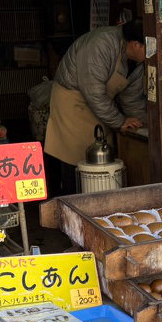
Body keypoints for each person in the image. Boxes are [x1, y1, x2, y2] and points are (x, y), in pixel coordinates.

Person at [44, 19, 148, 195]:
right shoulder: (101, 44)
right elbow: (93, 92)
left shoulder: (137, 63)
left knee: (102, 152)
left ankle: (98, 203)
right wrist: (119, 120)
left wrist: (141, 127)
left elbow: (132, 99)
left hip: (101, 104)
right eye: (150, 48)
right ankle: (71, 201)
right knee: (75, 157)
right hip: (73, 101)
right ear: (136, 44)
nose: (154, 54)